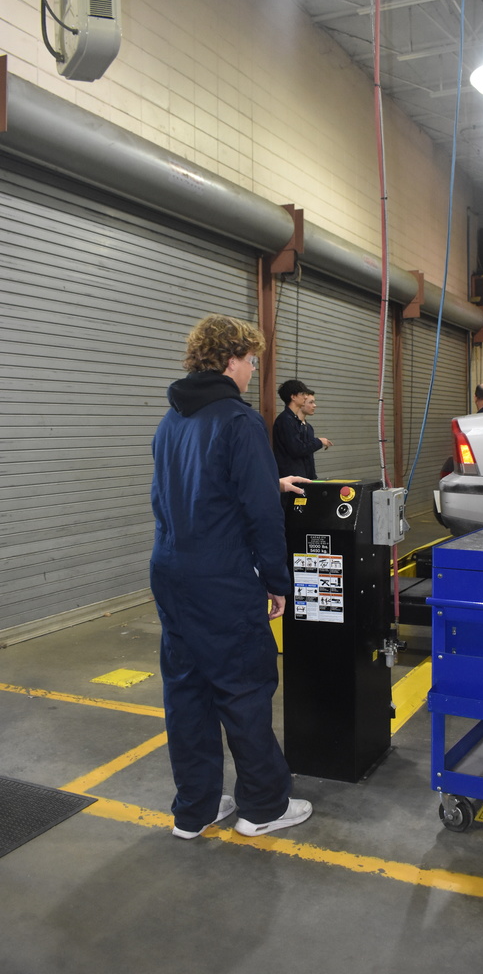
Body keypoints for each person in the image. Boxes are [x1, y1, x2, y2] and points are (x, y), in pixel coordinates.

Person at [150, 314, 312, 840]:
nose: (251, 371)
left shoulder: (171, 421)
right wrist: (277, 581)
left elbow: (184, 493)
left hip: (172, 572)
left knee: (187, 689)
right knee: (242, 686)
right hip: (223, 578)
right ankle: (264, 806)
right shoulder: (237, 421)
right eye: (250, 362)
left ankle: (193, 810)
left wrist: (270, 478)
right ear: (229, 361)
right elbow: (260, 516)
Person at [272, 379, 333, 478]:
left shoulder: (297, 422)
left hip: (303, 479)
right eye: (302, 394)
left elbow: (307, 455)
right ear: (293, 397)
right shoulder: (285, 420)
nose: (305, 397)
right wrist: (319, 442)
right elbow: (297, 449)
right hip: (292, 480)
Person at [299, 392, 332, 479]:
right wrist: (319, 442)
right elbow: (299, 449)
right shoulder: (290, 424)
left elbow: (309, 455)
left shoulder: (308, 427)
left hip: (309, 478)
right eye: (311, 402)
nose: (314, 405)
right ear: (301, 403)